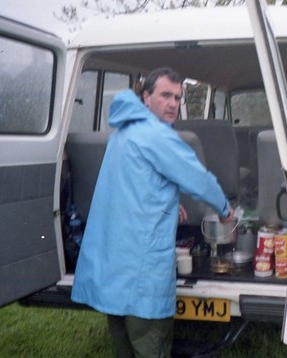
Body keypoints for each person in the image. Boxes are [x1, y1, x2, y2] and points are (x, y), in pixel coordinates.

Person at [71, 67, 233, 357]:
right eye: (165, 95)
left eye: (177, 97)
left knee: (123, 344)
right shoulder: (158, 136)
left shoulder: (124, 132)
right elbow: (198, 179)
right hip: (141, 271)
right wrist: (224, 209)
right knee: (151, 343)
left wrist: (169, 203)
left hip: (114, 266)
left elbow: (131, 186)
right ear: (146, 97)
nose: (173, 103)